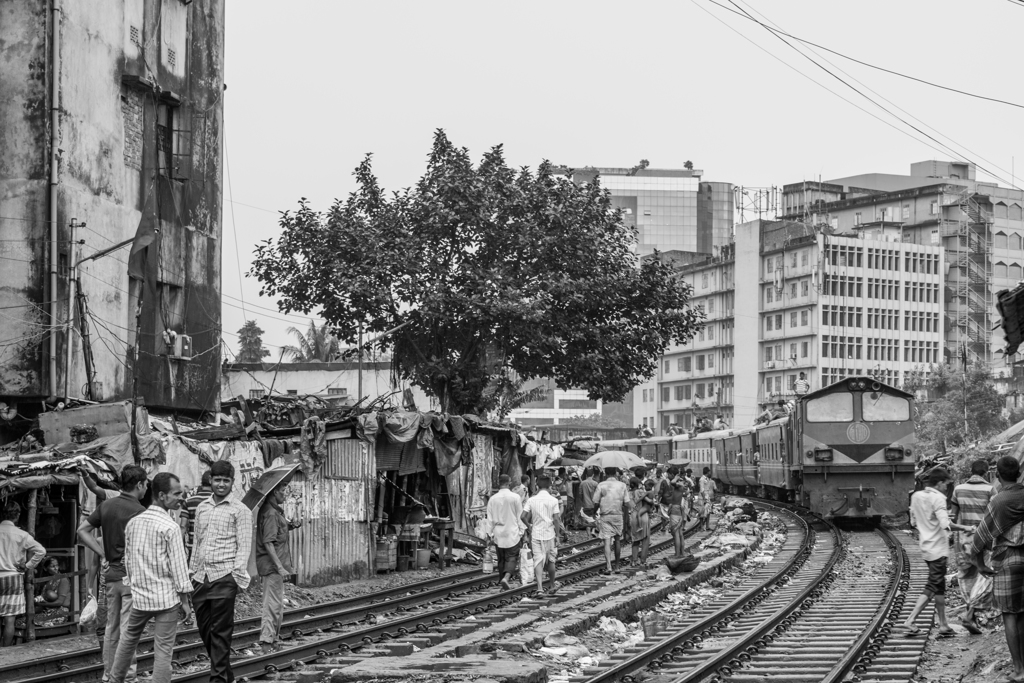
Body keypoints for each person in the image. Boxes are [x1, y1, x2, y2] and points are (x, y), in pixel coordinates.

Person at [108, 473, 192, 683]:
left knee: (127, 642)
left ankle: (114, 680)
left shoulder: (134, 523)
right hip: (166, 600)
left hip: (140, 599)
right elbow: (179, 568)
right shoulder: (170, 527)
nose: (180, 497)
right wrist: (185, 601)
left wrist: (133, 585)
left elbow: (128, 560)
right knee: (163, 651)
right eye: (176, 493)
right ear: (162, 495)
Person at [77, 464, 149, 679]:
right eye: (145, 485)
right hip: (130, 578)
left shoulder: (106, 506)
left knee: (112, 628)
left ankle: (109, 675)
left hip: (110, 578)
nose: (146, 490)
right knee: (129, 630)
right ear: (139, 485)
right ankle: (127, 676)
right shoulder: (140, 512)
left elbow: (82, 531)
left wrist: (103, 553)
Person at [190, 460, 253, 683]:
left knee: (221, 631)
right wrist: (192, 572)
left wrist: (235, 577)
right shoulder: (202, 507)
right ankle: (226, 675)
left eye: (226, 481)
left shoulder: (240, 510)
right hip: (200, 577)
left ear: (232, 483)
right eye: (218, 480)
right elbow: (197, 541)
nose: (221, 484)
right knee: (206, 630)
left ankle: (217, 679)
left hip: (224, 576)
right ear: (211, 481)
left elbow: (244, 546)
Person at [901, 467, 975, 638]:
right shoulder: (938, 499)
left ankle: (943, 624)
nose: (946, 488)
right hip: (938, 549)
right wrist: (966, 527)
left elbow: (913, 522)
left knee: (939, 587)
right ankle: (910, 620)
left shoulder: (916, 496)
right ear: (940, 483)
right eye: (946, 484)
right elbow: (946, 524)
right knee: (933, 585)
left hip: (926, 546)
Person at [970, 456, 1024, 681]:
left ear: (997, 477)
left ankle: (1020, 670)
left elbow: (980, 537)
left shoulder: (999, 501)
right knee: (1022, 614)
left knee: (1010, 615)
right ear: (1019, 473)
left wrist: (980, 563)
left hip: (1008, 560)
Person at [950, 459, 995, 634]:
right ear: (986, 472)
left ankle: (971, 616)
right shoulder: (990, 489)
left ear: (971, 471)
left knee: (967, 575)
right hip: (984, 539)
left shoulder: (958, 489)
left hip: (964, 539)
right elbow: (994, 516)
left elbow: (953, 518)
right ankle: (970, 615)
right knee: (985, 576)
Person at [256, 482, 299, 654]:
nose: (285, 495)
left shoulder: (273, 512)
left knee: (277, 605)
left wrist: (289, 525)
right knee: (272, 605)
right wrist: (280, 567)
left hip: (275, 566)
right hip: (272, 566)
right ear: (274, 492)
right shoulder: (271, 513)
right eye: (283, 491)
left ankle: (272, 641)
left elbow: (275, 533)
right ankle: (267, 643)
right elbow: (268, 542)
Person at [0, 501, 45, 646]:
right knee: (9, 619)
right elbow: (41, 551)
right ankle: (5, 652)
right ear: (17, 516)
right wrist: (27, 566)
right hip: (12, 577)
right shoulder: (22, 535)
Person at [521, 476, 562, 593]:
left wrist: (529, 527)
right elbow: (556, 519)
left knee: (538, 560)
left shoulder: (531, 500)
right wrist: (558, 536)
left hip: (536, 534)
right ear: (550, 487)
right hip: (550, 534)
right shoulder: (553, 500)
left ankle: (539, 588)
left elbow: (523, 516)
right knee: (551, 560)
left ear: (537, 487)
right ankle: (552, 585)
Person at [485, 474, 524, 591]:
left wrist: (488, 535)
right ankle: (506, 578)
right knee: (512, 557)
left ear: (499, 483)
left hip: (498, 533)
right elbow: (520, 516)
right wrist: (523, 532)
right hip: (512, 532)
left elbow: (489, 519)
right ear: (509, 482)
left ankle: (502, 581)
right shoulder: (515, 497)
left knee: (501, 558)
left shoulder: (492, 499)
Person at [593, 468, 633, 574]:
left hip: (605, 515)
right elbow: (626, 502)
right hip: (618, 515)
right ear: (615, 473)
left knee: (607, 541)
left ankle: (608, 567)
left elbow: (596, 501)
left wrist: (593, 512)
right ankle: (617, 566)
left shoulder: (601, 485)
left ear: (605, 473)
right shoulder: (622, 485)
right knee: (618, 540)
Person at [180, 471, 214, 560]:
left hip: (193, 548)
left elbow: (183, 526)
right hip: (213, 548)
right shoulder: (217, 502)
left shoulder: (188, 501)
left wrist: (179, 548)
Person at [35, 557, 72, 622]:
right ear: (45, 568)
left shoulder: (63, 579)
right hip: (47, 610)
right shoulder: (48, 580)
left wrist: (43, 604)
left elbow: (59, 602)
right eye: (53, 566)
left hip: (60, 613)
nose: (56, 568)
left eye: (57, 565)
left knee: (28, 621)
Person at [629, 478, 654, 566]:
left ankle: (634, 560)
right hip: (643, 516)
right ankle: (643, 560)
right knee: (645, 540)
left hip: (633, 517)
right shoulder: (641, 492)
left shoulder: (627, 493)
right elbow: (650, 501)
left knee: (635, 540)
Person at [667, 475, 690, 557]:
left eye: (680, 481)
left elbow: (672, 482)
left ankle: (677, 554)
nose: (678, 482)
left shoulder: (679, 486)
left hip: (675, 510)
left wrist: (676, 477)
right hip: (680, 511)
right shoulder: (682, 489)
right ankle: (682, 553)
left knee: (676, 534)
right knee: (680, 534)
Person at [698, 467, 717, 531]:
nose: (710, 473)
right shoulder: (702, 479)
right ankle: (701, 527)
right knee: (701, 513)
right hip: (702, 498)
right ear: (707, 472)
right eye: (709, 472)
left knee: (708, 512)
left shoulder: (707, 479)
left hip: (707, 497)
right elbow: (702, 490)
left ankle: (707, 526)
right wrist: (705, 499)